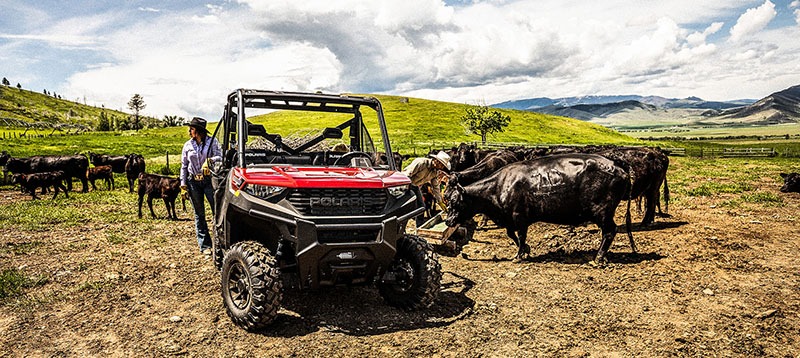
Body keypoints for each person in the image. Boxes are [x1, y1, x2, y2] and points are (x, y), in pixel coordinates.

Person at [180, 117, 222, 254]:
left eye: (191, 129)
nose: (189, 131)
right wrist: (183, 184)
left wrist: (209, 161)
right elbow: (184, 166)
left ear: (198, 131)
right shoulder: (187, 145)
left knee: (217, 211)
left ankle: (220, 242)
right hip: (193, 181)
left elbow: (220, 156)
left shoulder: (212, 142)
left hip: (209, 180)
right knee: (199, 214)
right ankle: (205, 245)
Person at [402, 151, 451, 226]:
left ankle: (420, 226)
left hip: (415, 186)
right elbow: (406, 175)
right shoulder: (421, 163)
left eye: (443, 166)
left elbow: (436, 187)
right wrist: (406, 190)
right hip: (405, 185)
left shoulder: (435, 172)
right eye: (441, 165)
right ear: (436, 161)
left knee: (421, 206)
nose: (441, 168)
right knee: (405, 208)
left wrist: (440, 201)